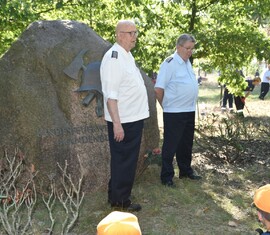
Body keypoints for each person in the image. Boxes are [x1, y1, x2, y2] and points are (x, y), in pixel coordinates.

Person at [100, 20, 149, 211]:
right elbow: (111, 96)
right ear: (120, 35)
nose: (134, 37)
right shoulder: (114, 58)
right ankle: (121, 201)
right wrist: (117, 125)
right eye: (131, 33)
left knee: (126, 160)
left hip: (133, 118)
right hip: (124, 120)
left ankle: (117, 195)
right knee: (124, 160)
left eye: (136, 33)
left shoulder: (126, 55)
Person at [154, 33, 201, 188]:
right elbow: (158, 89)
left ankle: (185, 171)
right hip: (174, 112)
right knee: (170, 145)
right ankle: (167, 177)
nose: (190, 52)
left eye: (192, 49)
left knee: (186, 143)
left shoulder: (187, 63)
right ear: (178, 47)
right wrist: (166, 107)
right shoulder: (170, 63)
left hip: (188, 110)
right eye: (187, 48)